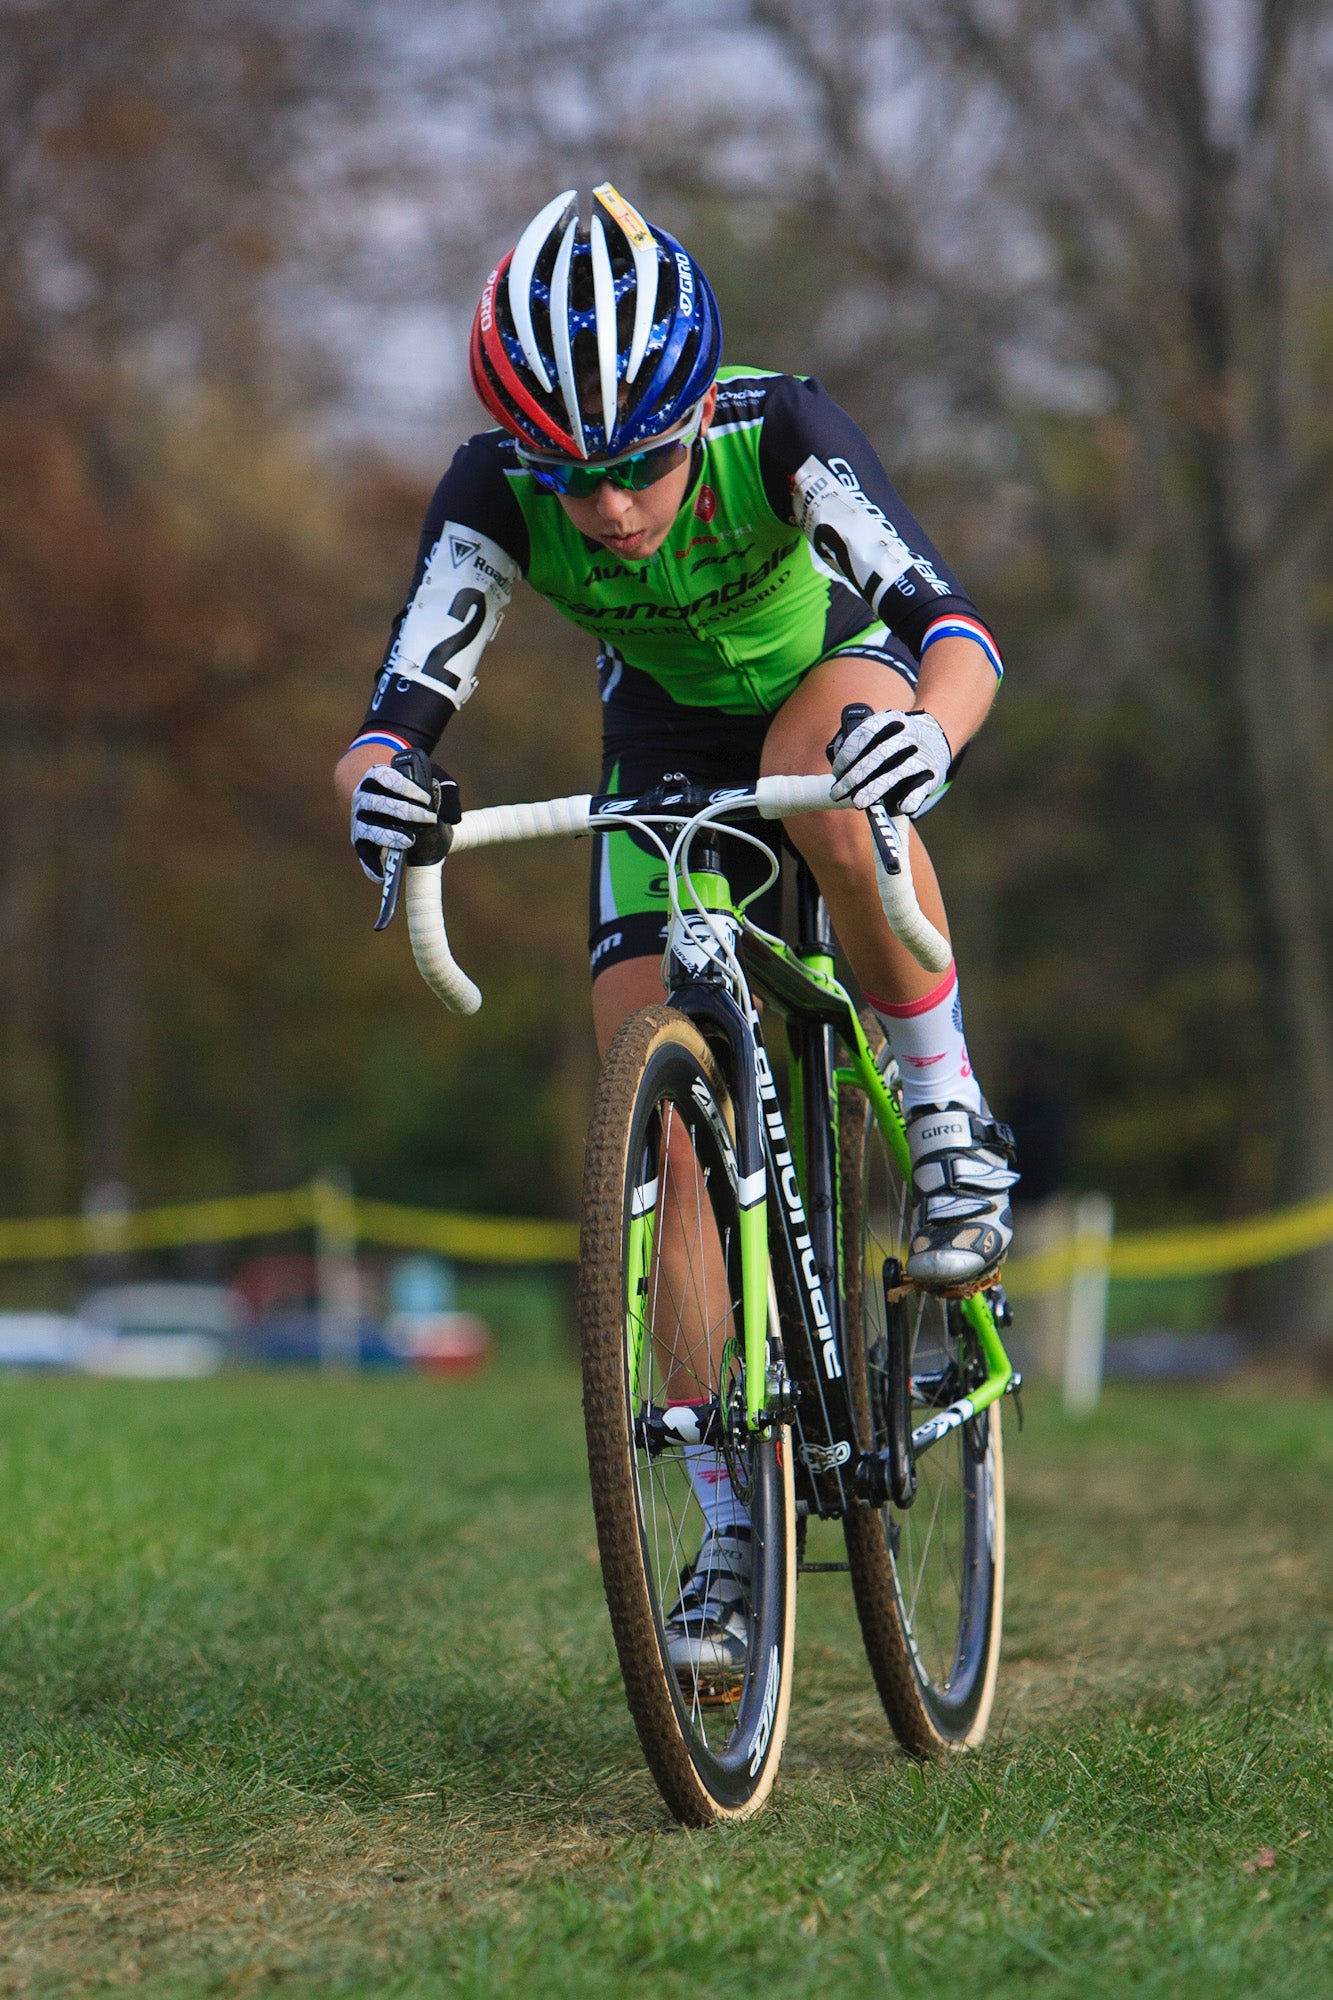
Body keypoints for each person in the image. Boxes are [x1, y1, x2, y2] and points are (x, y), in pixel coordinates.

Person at [334, 185, 1017, 1680]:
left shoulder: (781, 428)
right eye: (573, 482)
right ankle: (726, 1521)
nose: (615, 510)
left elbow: (954, 634)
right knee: (658, 1142)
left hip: (831, 690)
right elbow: (390, 723)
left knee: (844, 790)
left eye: (640, 465)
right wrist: (382, 796)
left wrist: (934, 744)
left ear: (692, 413)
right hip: (661, 753)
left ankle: (941, 1103)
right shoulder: (487, 490)